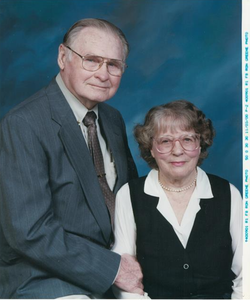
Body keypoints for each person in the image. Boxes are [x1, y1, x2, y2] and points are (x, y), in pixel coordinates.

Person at [0, 18, 144, 299]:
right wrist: (114, 269)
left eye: (114, 64)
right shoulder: (24, 124)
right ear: (62, 57)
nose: (104, 74)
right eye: (92, 60)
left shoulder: (113, 120)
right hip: (44, 275)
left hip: (114, 266)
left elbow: (130, 199)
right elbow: (30, 232)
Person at [112, 100, 242, 299]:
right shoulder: (129, 195)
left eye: (187, 139)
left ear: (200, 145)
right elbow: (125, 276)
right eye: (165, 141)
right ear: (151, 149)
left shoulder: (229, 193)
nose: (177, 150)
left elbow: (246, 271)